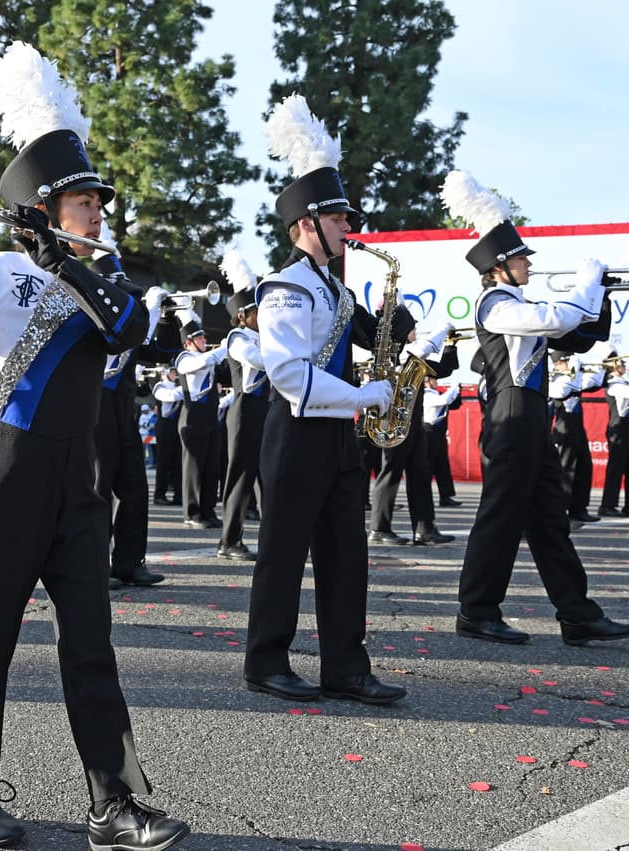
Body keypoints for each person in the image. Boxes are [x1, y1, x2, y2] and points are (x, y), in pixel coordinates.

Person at [0, 41, 188, 851]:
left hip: (79, 473)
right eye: (86, 202)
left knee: (91, 639)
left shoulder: (103, 274)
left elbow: (130, 329)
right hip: (10, 465)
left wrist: (67, 260)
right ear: (46, 208)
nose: (100, 213)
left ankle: (115, 804)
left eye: (97, 202)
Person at [243, 94, 409, 706]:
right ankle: (265, 661)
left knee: (347, 554)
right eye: (339, 219)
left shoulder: (335, 289)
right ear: (307, 224)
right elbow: (288, 372)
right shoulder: (286, 286)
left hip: (339, 432)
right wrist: (363, 394)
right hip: (297, 430)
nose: (350, 228)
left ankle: (346, 665)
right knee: (283, 554)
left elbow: (360, 340)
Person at [440, 169, 629, 646]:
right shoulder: (495, 304)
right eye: (522, 259)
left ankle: (577, 612)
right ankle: (477, 609)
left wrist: (602, 296)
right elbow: (553, 319)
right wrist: (585, 287)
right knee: (500, 516)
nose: (529, 264)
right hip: (509, 420)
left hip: (530, 420)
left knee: (550, 517)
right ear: (500, 267)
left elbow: (581, 335)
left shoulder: (519, 303)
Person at [90, 228, 169, 588]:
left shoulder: (133, 319)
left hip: (124, 411)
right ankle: (94, 562)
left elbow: (156, 352)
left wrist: (164, 318)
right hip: (95, 408)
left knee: (135, 487)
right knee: (98, 488)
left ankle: (130, 561)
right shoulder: (95, 314)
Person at [366, 326, 458, 546]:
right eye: (413, 328)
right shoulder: (392, 354)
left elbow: (444, 369)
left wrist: (450, 346)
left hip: (413, 422)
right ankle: (379, 528)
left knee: (420, 473)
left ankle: (424, 528)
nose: (416, 332)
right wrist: (444, 329)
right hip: (394, 421)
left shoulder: (414, 355)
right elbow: (423, 348)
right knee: (390, 473)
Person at [217, 251, 266, 561]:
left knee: (268, 477)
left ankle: (275, 536)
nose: (263, 315)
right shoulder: (237, 337)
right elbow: (257, 361)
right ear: (241, 315)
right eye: (256, 310)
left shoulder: (264, 337)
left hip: (265, 410)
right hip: (244, 409)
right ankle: (229, 540)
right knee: (240, 476)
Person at [174, 311, 226, 529]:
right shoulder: (185, 358)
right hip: (192, 417)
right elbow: (203, 362)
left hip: (209, 417)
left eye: (204, 337)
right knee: (194, 467)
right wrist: (225, 347)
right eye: (200, 338)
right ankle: (192, 513)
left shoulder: (208, 357)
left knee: (211, 466)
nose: (205, 341)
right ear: (189, 342)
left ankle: (208, 510)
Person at [548, 353, 605, 526]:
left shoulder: (573, 376)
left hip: (578, 429)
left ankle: (579, 509)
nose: (569, 363)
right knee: (566, 472)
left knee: (583, 467)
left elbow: (593, 383)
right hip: (563, 429)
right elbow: (564, 390)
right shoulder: (555, 379)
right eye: (567, 361)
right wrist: (575, 370)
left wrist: (600, 367)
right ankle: (562, 513)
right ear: (558, 362)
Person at [599, 355, 629, 518]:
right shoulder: (613, 383)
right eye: (621, 364)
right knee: (616, 467)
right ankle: (607, 505)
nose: (624, 366)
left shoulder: (623, 381)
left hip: (628, 425)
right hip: (617, 427)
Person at [421, 375, 461, 508]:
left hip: (439, 434)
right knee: (428, 466)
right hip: (428, 433)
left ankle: (446, 496)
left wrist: (457, 391)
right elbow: (444, 400)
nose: (436, 382)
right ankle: (424, 497)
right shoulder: (427, 395)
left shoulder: (436, 393)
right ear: (428, 381)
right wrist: (454, 388)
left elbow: (453, 403)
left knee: (442, 466)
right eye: (434, 379)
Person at [150, 366, 182, 505]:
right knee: (163, 461)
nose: (174, 374)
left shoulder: (177, 385)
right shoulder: (160, 385)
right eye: (172, 372)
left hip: (176, 424)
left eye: (175, 372)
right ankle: (159, 494)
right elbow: (169, 397)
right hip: (164, 424)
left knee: (178, 460)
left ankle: (178, 494)